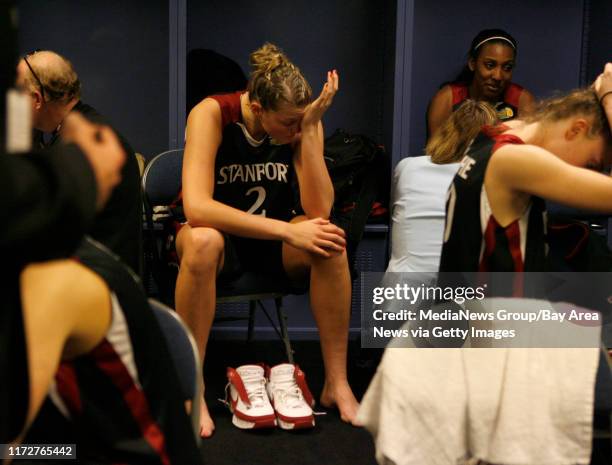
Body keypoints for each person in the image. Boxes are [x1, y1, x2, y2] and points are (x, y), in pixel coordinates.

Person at [176, 43, 359, 436]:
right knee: (203, 240)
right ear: (257, 109)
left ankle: (336, 383)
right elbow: (196, 208)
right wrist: (288, 230)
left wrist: (309, 130)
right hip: (218, 240)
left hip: (272, 240)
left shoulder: (303, 123)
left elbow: (319, 208)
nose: (294, 129)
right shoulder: (211, 112)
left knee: (330, 240)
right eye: (289, 123)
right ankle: (191, 388)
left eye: (301, 121)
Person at [439, 85, 612, 273]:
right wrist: (609, 101)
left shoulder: (499, 133)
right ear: (577, 129)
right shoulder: (516, 160)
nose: (590, 175)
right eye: (592, 165)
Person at [15, 50, 142, 273]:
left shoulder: (82, 146)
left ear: (36, 99)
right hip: (93, 274)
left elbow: (46, 233)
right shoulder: (81, 128)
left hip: (100, 286)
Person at [386, 100, 497, 273]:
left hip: (401, 291)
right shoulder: (485, 178)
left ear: (448, 132)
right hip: (457, 289)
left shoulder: (407, 167)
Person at [427, 28, 535, 141]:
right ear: (472, 63)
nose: (498, 76)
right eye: (490, 65)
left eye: (507, 67)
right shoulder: (447, 99)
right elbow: (435, 153)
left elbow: (529, 151)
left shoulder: (522, 100)